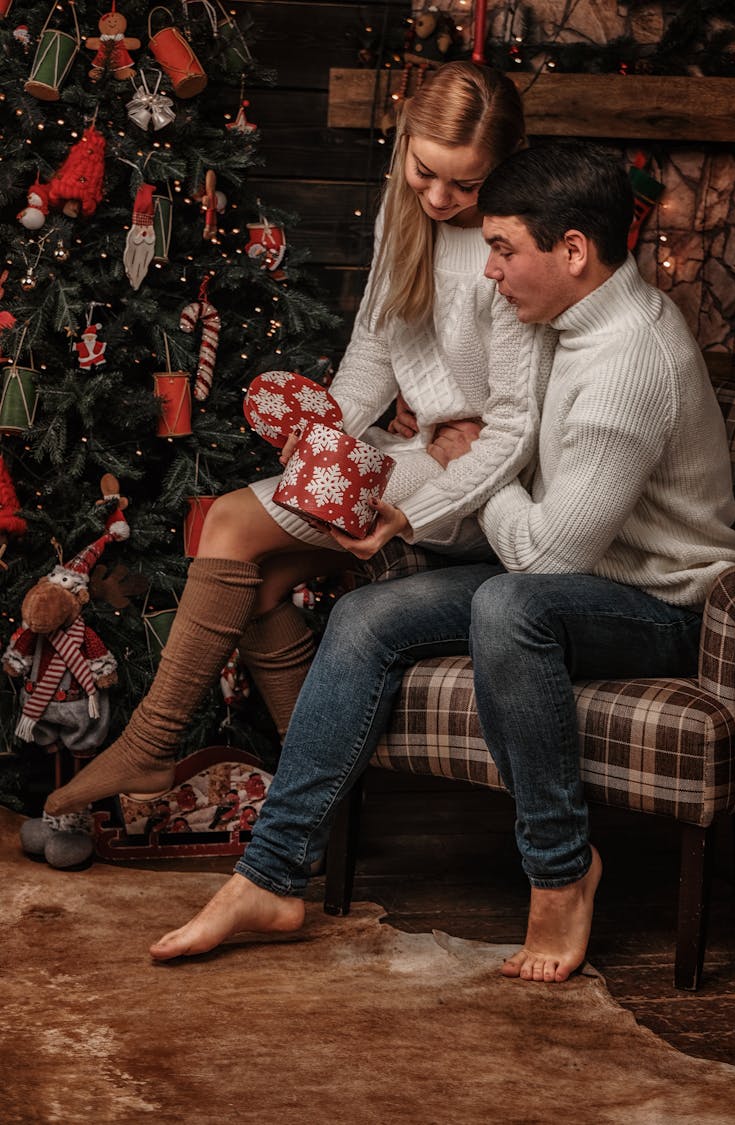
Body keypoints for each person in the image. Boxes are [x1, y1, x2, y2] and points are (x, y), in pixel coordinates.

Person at [146, 140, 735, 980]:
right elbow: (507, 447)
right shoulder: (564, 323)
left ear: (573, 251)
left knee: (510, 606)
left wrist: (469, 469)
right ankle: (270, 875)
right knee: (362, 617)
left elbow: (542, 558)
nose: (489, 270)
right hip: (578, 576)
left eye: (503, 248)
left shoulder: (626, 365)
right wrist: (445, 465)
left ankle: (562, 868)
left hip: (661, 604)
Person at [44, 61, 554, 819]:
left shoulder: (514, 241)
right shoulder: (403, 214)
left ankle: (151, 742)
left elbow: (518, 418)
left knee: (228, 524)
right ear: (406, 141)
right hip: (418, 451)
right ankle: (321, 800)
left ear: (503, 170)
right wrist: (324, 437)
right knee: (263, 584)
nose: (441, 198)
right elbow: (375, 356)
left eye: (467, 184)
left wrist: (440, 444)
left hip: (476, 480)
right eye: (426, 172)